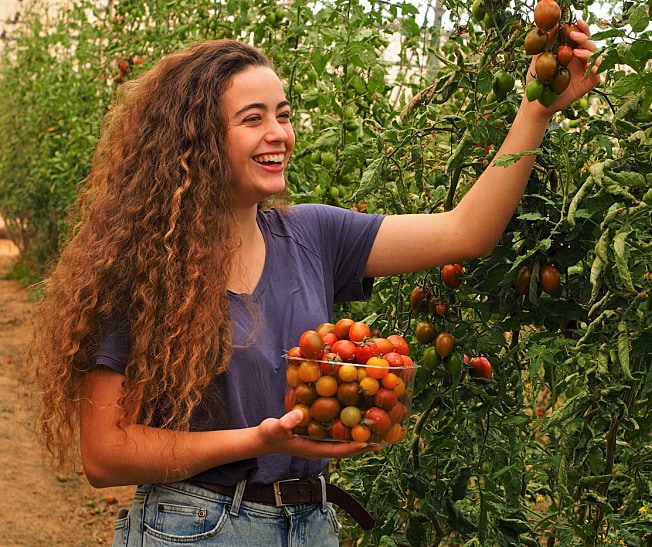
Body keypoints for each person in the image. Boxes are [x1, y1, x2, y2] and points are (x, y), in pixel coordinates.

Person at [29, 26, 600, 547]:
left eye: (283, 114)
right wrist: (259, 442)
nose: (278, 133)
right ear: (196, 141)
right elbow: (105, 454)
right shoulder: (145, 267)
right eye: (252, 119)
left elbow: (465, 231)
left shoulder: (313, 233)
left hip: (311, 522)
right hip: (198, 526)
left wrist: (536, 111)